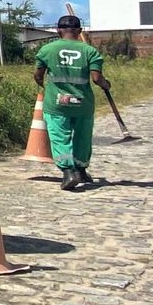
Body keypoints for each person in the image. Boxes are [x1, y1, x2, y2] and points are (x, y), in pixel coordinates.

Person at [33, 15, 109, 191]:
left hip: (57, 104)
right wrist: (106, 85)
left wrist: (42, 84)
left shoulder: (47, 50)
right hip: (83, 104)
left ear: (58, 30)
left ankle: (68, 172)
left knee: (59, 136)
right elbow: (97, 78)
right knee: (83, 137)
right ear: (79, 31)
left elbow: (38, 75)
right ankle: (81, 170)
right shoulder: (90, 51)